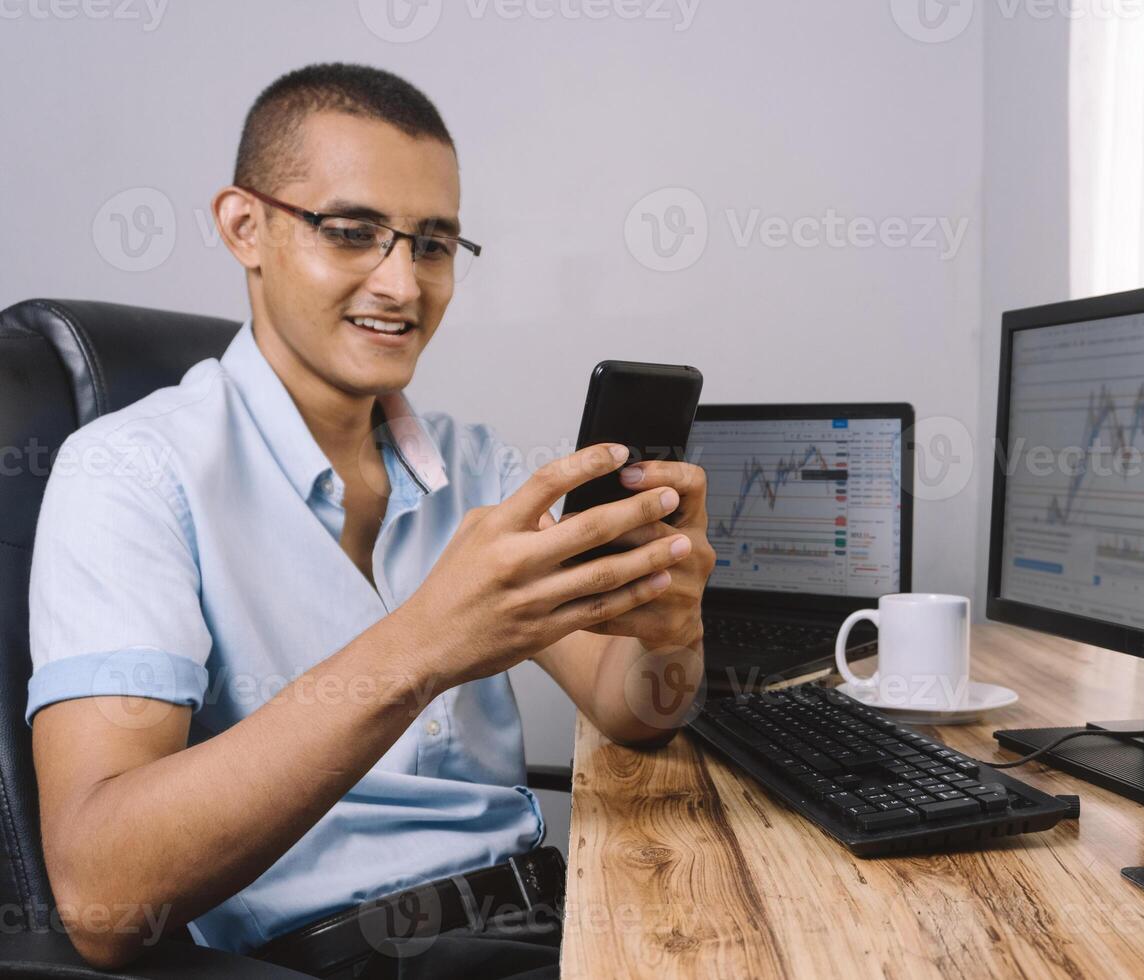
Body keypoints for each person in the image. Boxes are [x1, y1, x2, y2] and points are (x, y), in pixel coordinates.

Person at [25, 63, 714, 979]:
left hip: (550, 917)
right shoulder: (130, 472)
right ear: (246, 227)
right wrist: (424, 644)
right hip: (337, 958)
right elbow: (101, 895)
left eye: (433, 246)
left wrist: (671, 633)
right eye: (352, 234)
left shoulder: (482, 468)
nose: (402, 284)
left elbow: (630, 708)